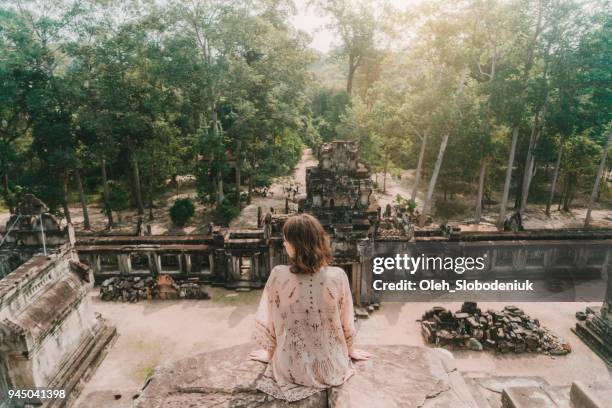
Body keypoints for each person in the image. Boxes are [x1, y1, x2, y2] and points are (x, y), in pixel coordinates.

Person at [249, 213, 371, 402]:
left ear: (296, 244)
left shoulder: (278, 275)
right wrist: (350, 351)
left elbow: (271, 323)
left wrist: (271, 356)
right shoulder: (338, 275)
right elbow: (347, 322)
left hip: (292, 369)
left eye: (285, 240)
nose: (283, 244)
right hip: (332, 367)